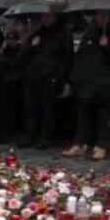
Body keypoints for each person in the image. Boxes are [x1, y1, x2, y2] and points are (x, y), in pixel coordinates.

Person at [65, 10, 110, 160]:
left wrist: (107, 46)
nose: (101, 18)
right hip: (87, 82)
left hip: (106, 83)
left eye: (105, 15)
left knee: (104, 117)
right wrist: (74, 79)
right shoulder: (90, 32)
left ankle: (101, 146)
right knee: (83, 115)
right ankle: (79, 144)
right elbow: (81, 56)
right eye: (99, 15)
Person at [20, 11, 71, 149]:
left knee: (47, 109)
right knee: (31, 107)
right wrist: (31, 45)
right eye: (43, 16)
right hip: (34, 75)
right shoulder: (38, 33)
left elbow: (67, 57)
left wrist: (62, 77)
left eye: (48, 16)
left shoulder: (63, 34)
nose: (45, 19)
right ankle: (30, 135)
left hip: (51, 76)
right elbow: (24, 53)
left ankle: (45, 137)